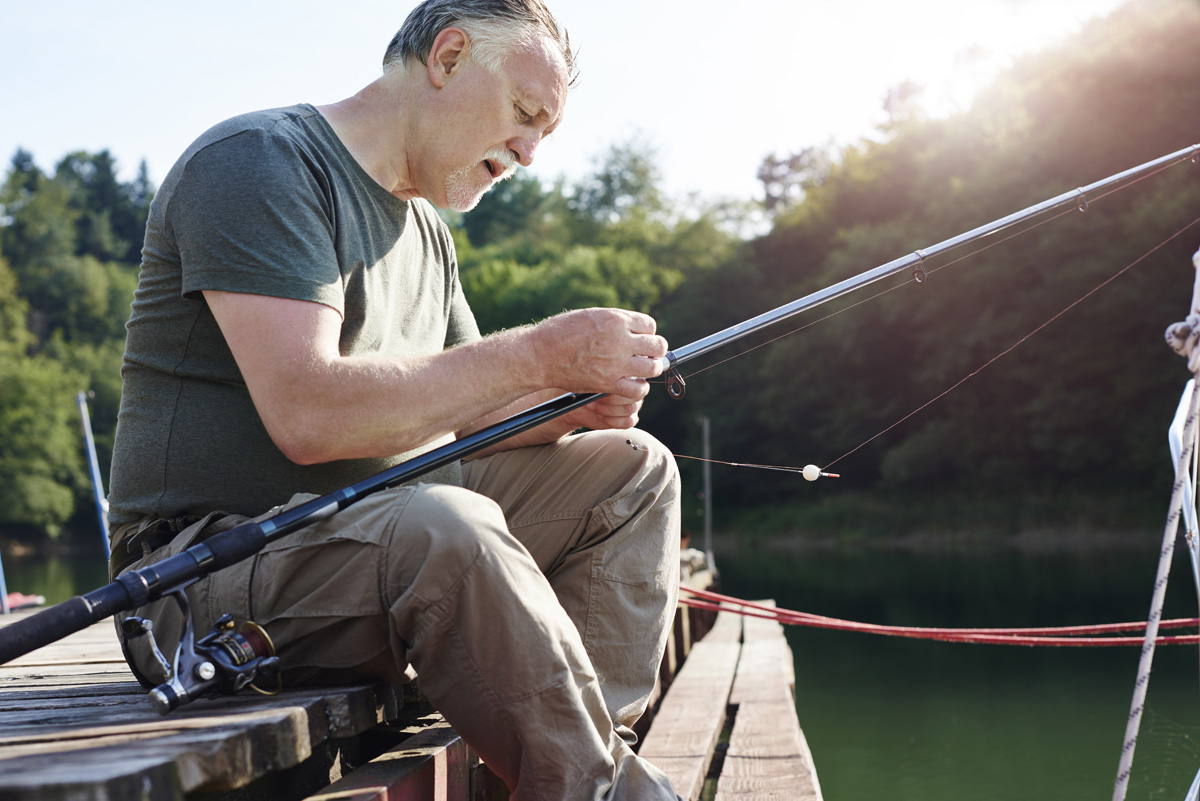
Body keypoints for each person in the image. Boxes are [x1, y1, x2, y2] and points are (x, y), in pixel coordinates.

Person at [105, 1, 683, 798]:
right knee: (448, 524)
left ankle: (577, 757)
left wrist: (571, 401)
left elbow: (469, 415)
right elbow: (308, 415)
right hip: (198, 575)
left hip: (378, 527)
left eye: (544, 134)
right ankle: (596, 789)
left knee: (632, 470)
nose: (528, 153)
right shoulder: (259, 162)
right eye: (525, 115)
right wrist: (538, 350)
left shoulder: (429, 232)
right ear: (446, 58)